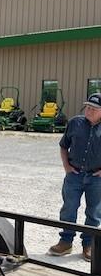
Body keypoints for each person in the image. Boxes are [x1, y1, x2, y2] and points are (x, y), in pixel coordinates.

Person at [48, 93, 101, 261]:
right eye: (87, 107)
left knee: (93, 212)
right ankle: (65, 242)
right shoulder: (75, 123)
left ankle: (89, 244)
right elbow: (64, 146)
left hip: (96, 178)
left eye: (94, 109)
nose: (89, 111)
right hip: (74, 175)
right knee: (69, 208)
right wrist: (66, 166)